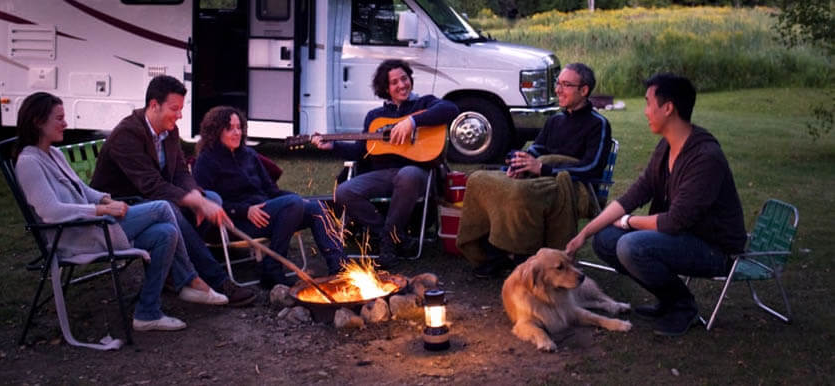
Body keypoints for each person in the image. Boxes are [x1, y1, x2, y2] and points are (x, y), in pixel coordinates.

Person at [14, 92, 228, 332]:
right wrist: (102, 209)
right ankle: (189, 279)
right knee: (163, 207)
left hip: (95, 227)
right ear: (37, 121)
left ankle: (148, 313)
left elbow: (83, 190)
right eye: (59, 118)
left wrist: (106, 199)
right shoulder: (28, 163)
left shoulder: (52, 154)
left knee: (166, 232)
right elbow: (51, 212)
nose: (66, 123)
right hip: (75, 236)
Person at [565, 73, 746, 337]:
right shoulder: (667, 147)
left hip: (715, 249)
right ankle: (669, 300)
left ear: (668, 107)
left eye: (649, 103)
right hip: (682, 238)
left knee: (631, 245)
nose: (646, 111)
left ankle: (683, 307)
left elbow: (674, 222)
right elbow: (633, 196)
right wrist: (584, 233)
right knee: (604, 240)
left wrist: (629, 222)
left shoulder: (705, 158)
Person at [91, 75, 255, 304]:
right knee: (171, 208)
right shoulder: (126, 134)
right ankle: (216, 280)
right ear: (154, 105)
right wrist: (194, 202)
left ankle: (173, 272)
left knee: (213, 198)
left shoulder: (169, 131)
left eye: (181, 108)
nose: (179, 115)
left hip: (151, 198)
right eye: (174, 108)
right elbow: (150, 185)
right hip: (122, 206)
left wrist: (197, 196)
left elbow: (180, 172)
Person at [461, 62, 612, 278]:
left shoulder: (598, 124)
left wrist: (543, 167)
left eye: (566, 85)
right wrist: (517, 163)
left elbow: (592, 167)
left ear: (584, 90)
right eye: (558, 84)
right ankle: (492, 254)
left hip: (573, 186)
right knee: (479, 179)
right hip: (539, 178)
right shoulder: (556, 120)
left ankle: (523, 257)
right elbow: (535, 149)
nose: (558, 90)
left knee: (521, 193)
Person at [311, 59, 458, 267]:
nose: (401, 85)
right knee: (343, 191)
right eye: (394, 82)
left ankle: (389, 239)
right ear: (386, 88)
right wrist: (333, 147)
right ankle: (389, 236)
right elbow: (360, 151)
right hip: (384, 175)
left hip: (417, 174)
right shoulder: (375, 117)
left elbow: (450, 108)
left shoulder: (423, 103)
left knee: (408, 174)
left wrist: (412, 122)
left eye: (404, 79)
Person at [192, 106, 345, 288]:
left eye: (239, 127)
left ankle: (340, 268)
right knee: (293, 204)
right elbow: (205, 202)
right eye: (229, 128)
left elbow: (271, 191)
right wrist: (244, 211)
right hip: (235, 222)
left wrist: (296, 199)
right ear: (216, 131)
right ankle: (271, 269)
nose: (236, 132)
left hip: (265, 212)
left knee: (315, 207)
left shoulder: (248, 154)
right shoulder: (207, 160)